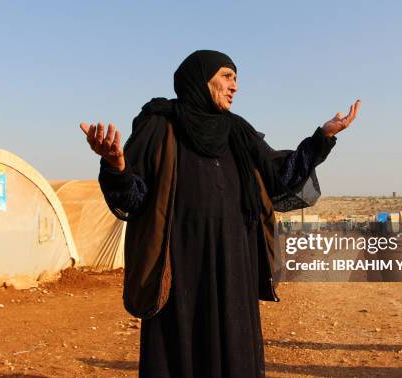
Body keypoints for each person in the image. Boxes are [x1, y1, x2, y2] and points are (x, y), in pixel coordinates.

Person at [80, 50, 360, 378]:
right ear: (201, 78)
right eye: (227, 76)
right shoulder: (160, 125)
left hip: (234, 265)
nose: (235, 86)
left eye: (236, 79)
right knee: (180, 353)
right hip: (180, 266)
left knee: (235, 350)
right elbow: (135, 197)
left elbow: (279, 178)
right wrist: (116, 167)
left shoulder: (238, 132)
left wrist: (322, 138)